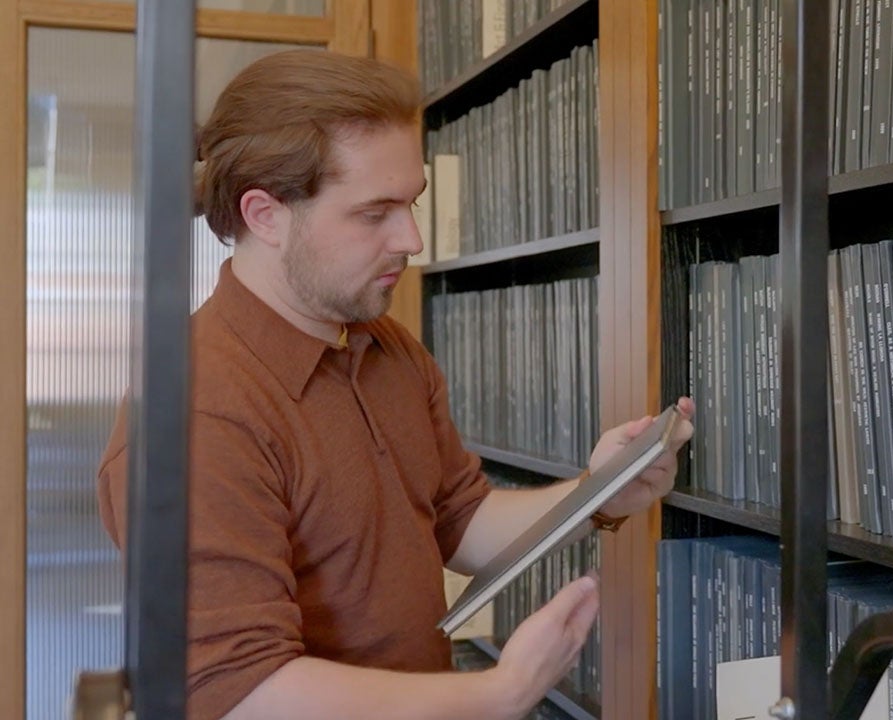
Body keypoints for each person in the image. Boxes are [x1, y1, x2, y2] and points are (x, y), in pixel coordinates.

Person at [95, 48, 695, 720]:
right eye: (374, 212)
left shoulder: (384, 345)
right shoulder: (197, 410)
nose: (411, 238)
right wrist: (495, 693)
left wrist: (601, 488)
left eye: (411, 203)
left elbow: (460, 521)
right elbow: (236, 693)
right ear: (264, 214)